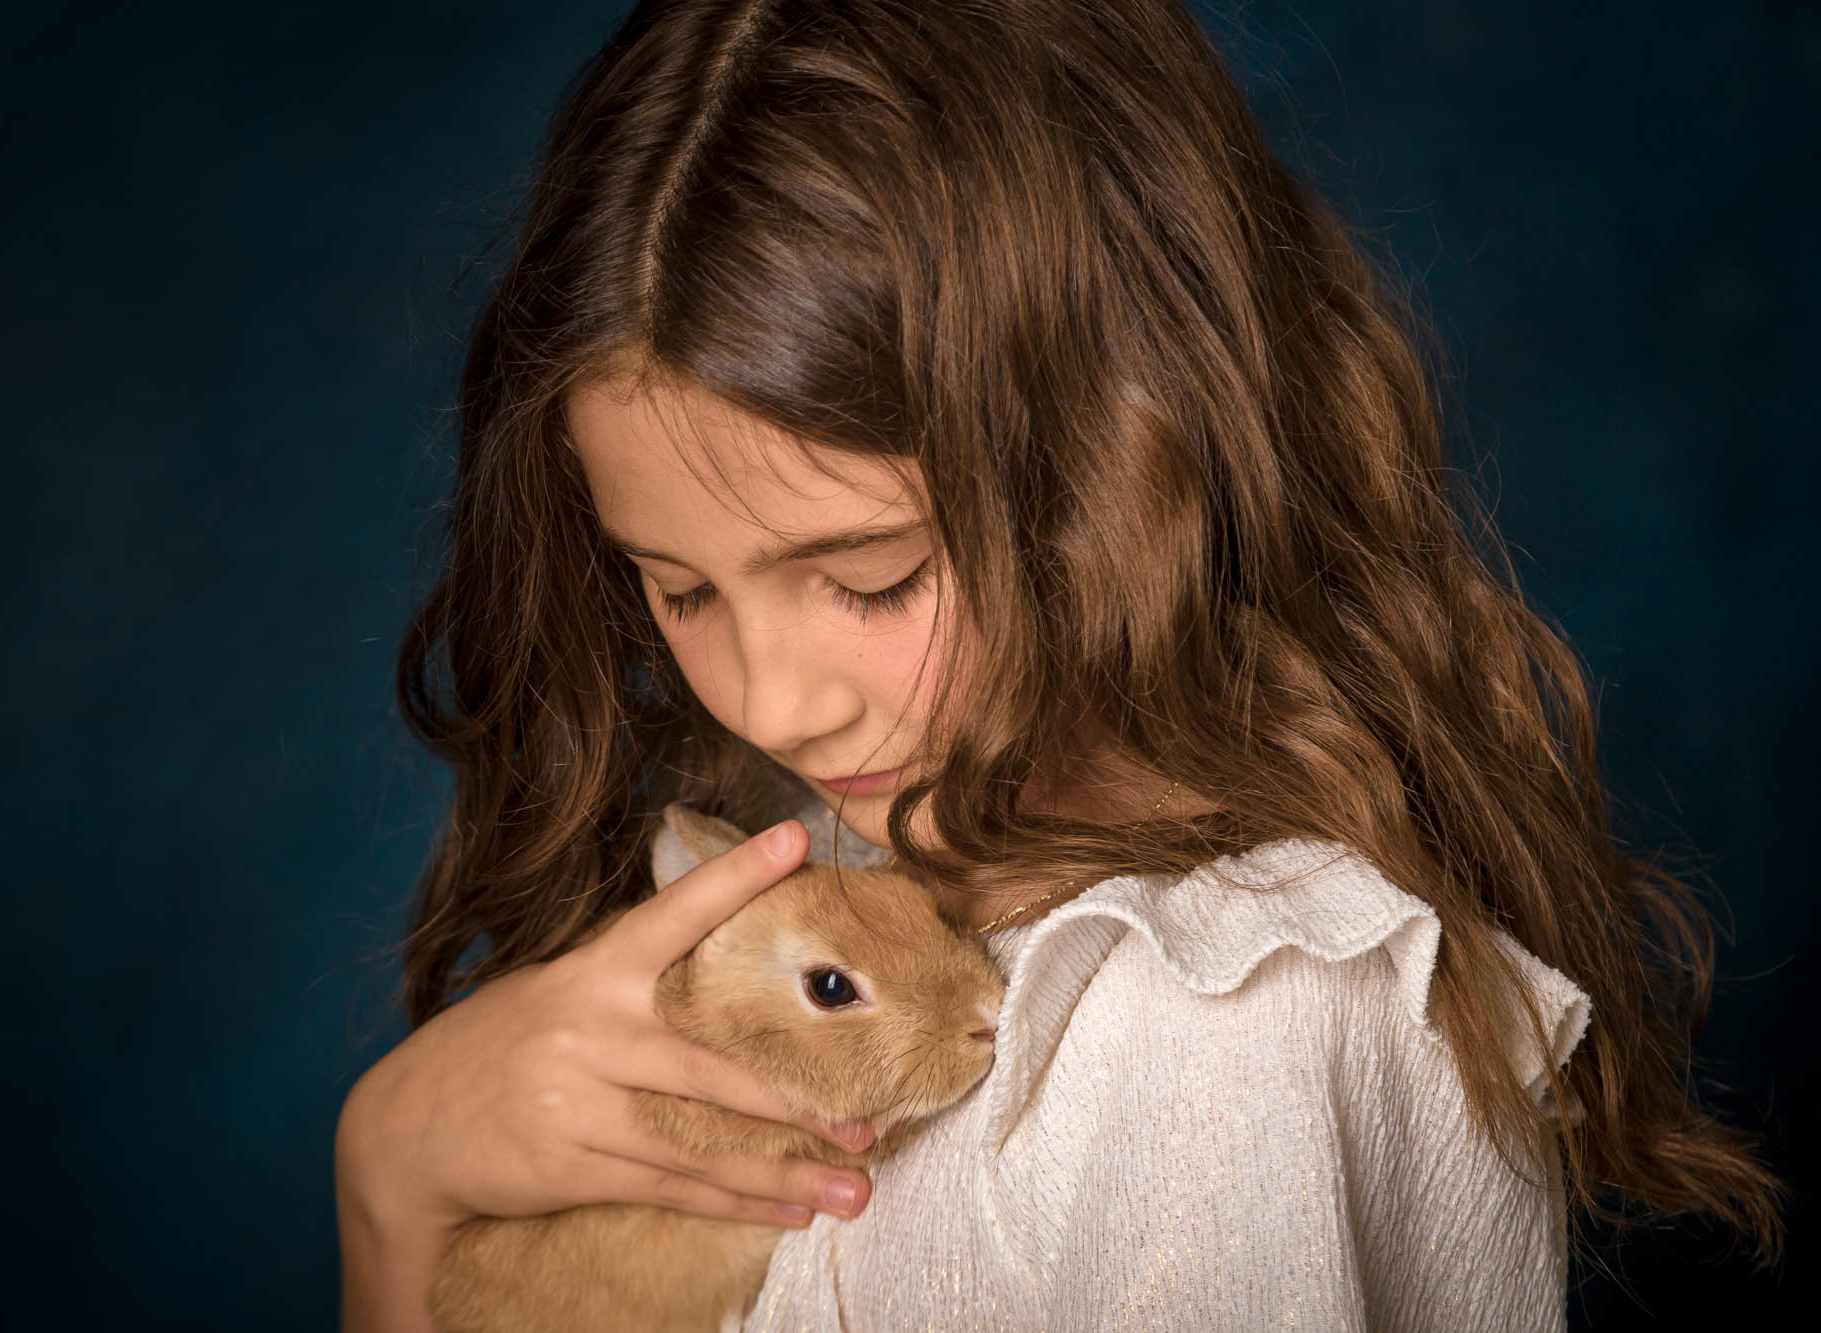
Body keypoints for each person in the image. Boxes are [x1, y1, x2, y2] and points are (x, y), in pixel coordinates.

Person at [332, 1, 1784, 1328]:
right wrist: (390, 1187)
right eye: (679, 590)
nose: (774, 702)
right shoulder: (847, 887)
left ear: (1115, 466)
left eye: (872, 577)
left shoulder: (1219, 1024)